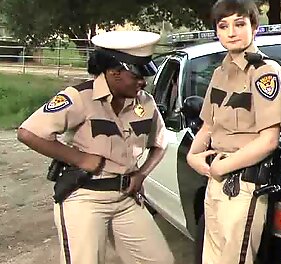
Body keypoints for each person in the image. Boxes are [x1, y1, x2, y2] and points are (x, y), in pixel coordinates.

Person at [16, 30, 174, 264]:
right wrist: (78, 159)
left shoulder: (145, 102)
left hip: (125, 198)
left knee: (159, 260)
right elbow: (28, 132)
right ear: (113, 72)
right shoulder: (79, 97)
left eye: (145, 74)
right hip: (85, 196)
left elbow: (160, 143)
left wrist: (141, 174)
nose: (143, 81)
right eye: (137, 75)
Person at [186, 0, 281, 264]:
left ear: (254, 27)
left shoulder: (265, 72)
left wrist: (224, 166)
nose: (231, 33)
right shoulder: (220, 73)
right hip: (215, 179)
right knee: (212, 257)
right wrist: (192, 156)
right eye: (223, 26)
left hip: (243, 183)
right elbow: (208, 125)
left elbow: (269, 140)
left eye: (239, 24)